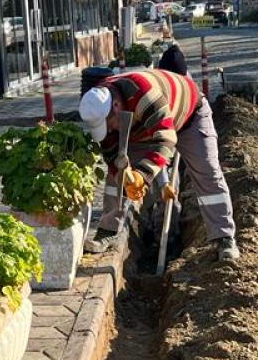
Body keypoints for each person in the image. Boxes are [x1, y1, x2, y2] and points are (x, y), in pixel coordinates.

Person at [79, 67, 239, 262]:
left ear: (116, 105)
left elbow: (165, 140)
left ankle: (224, 237)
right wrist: (125, 176)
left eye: (109, 123)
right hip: (143, 127)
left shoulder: (144, 93)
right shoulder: (100, 109)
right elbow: (113, 155)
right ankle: (108, 231)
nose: (109, 129)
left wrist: (143, 176)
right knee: (116, 178)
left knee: (207, 172)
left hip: (189, 116)